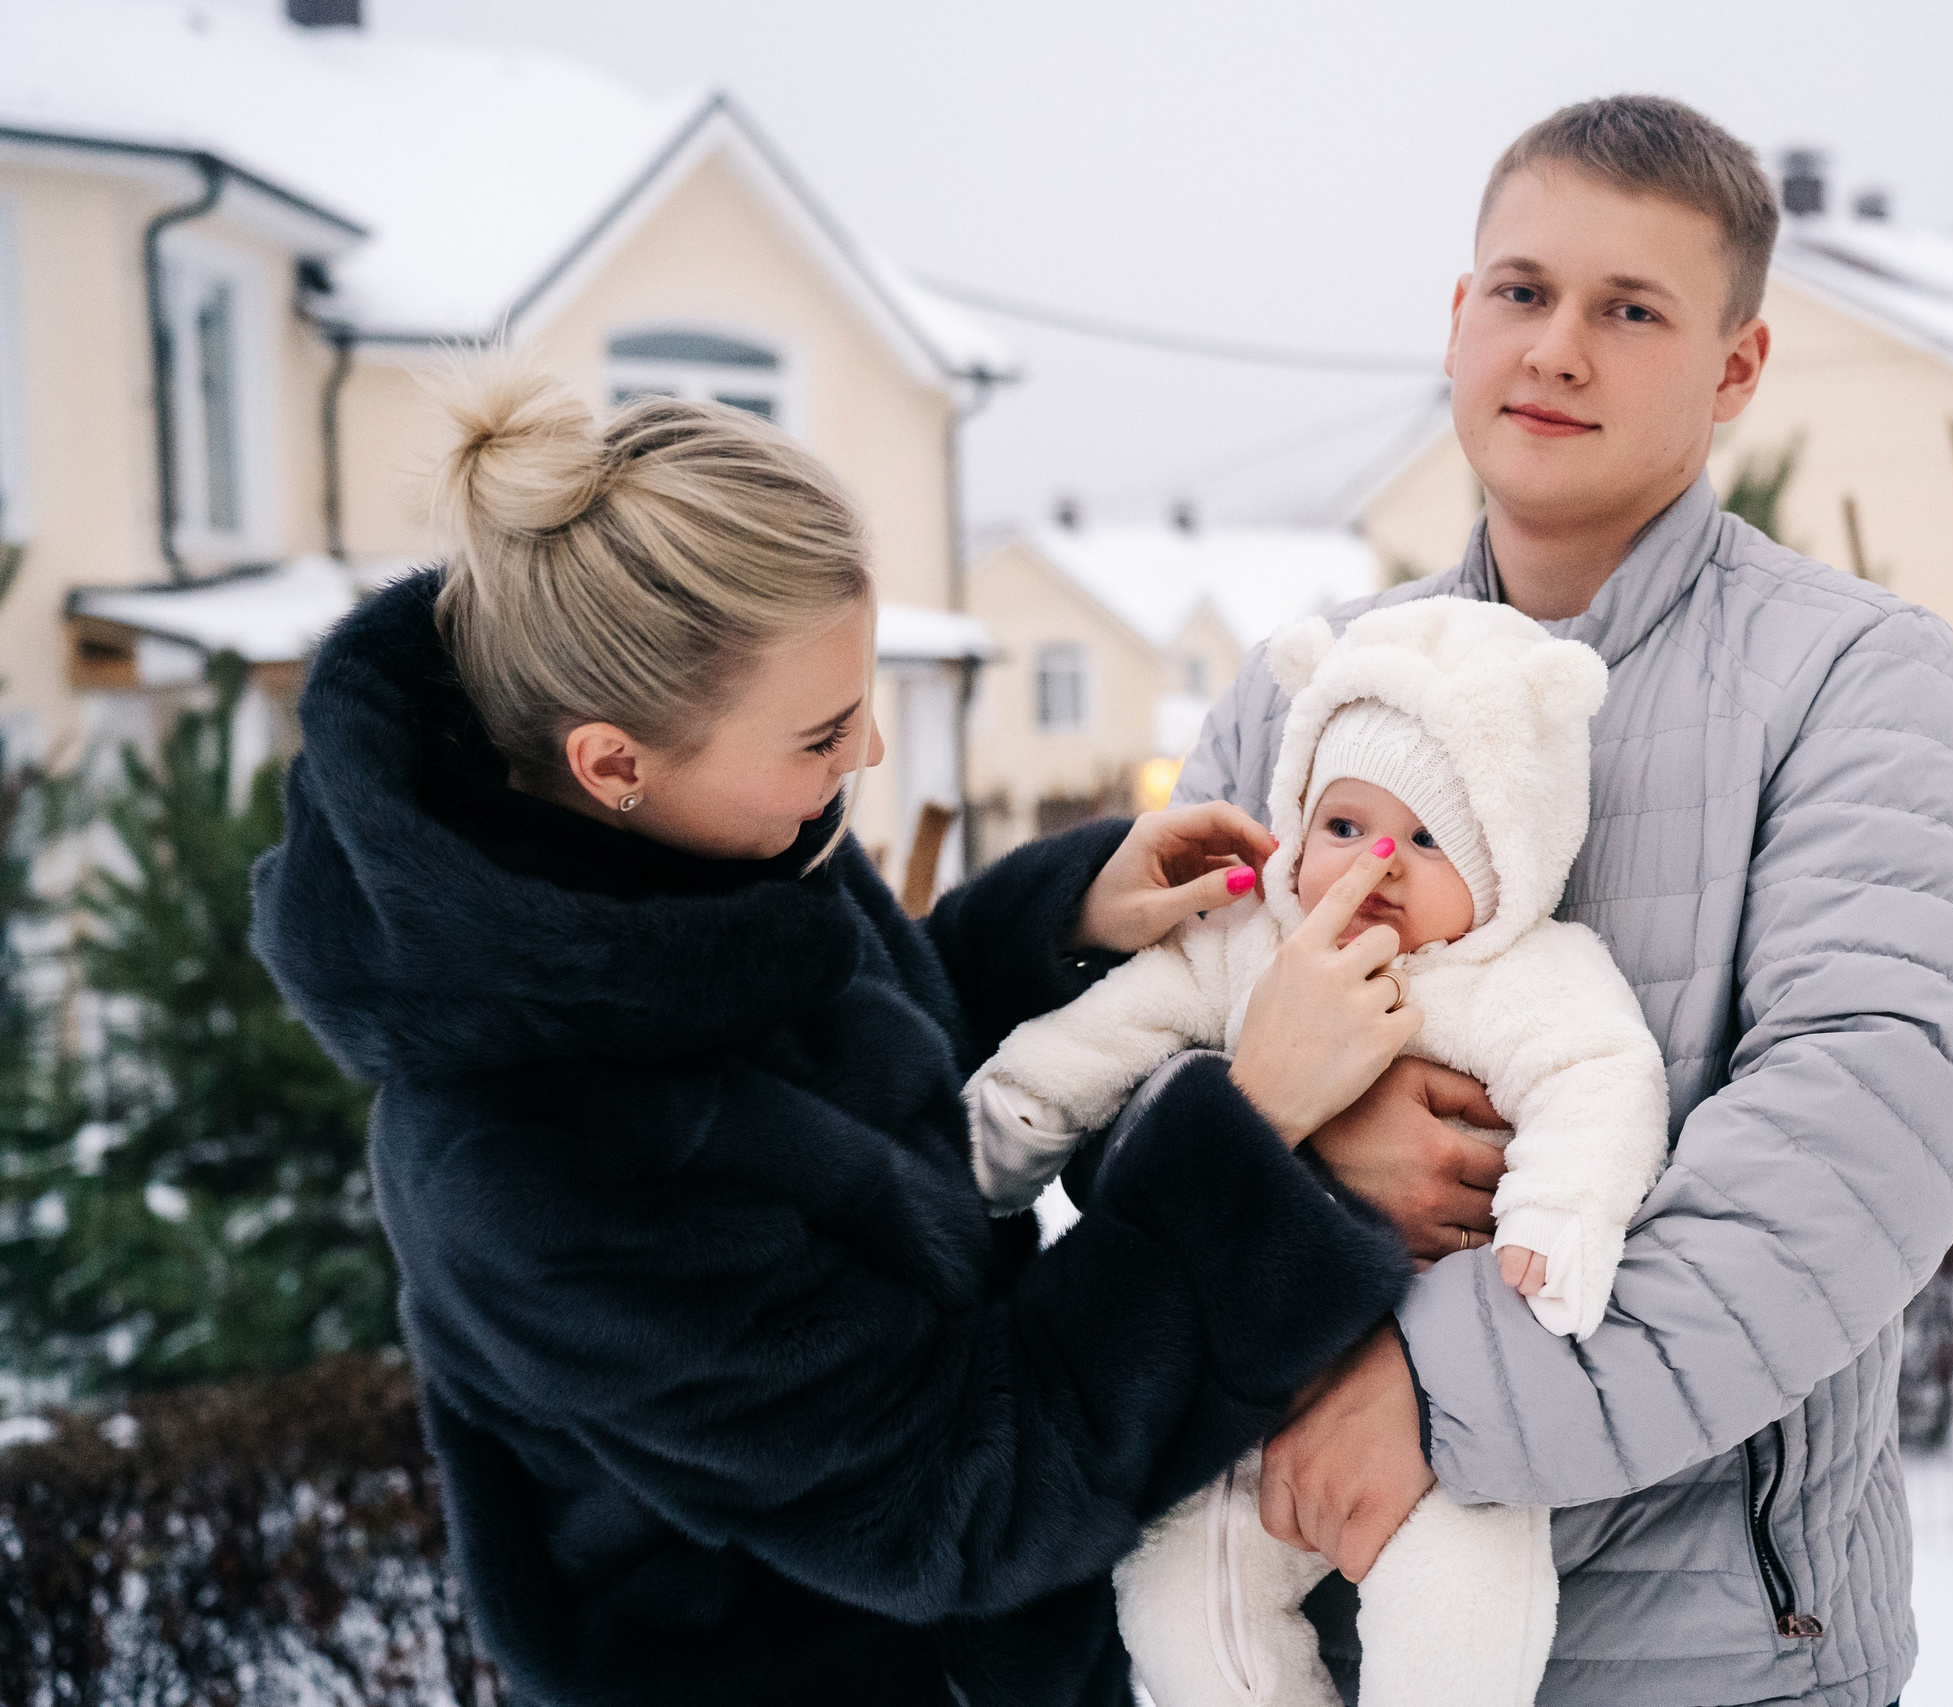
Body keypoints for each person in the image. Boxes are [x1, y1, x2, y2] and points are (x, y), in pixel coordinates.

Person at [248, 366, 1425, 1707]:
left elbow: (856, 1076)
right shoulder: (529, 1161)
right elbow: (960, 1494)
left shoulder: (716, 849)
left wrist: (1059, 923)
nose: (862, 751)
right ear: (612, 763)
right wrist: (1248, 1137)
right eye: (820, 733)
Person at [1173, 95, 1953, 1707]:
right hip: (1312, 1623)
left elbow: (1861, 1136)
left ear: (1736, 368)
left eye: (1631, 311)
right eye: (1522, 291)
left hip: (1714, 1659)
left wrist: (1439, 1395)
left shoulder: (1854, 679)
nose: (1557, 348)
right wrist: (1298, 1118)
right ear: (1458, 318)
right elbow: (1129, 1068)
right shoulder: (1306, 690)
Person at [968, 597, 1669, 1707]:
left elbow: (1603, 1077)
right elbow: (1117, 1030)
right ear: (1295, 819)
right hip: (1241, 1375)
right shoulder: (1249, 943)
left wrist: (1558, 1211)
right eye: (1344, 825)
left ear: (1508, 865)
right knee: (1181, 1608)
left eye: (1428, 840)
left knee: (1461, 1604)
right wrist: (1011, 1118)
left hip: (1433, 1397)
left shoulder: (1526, 976)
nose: (1377, 865)